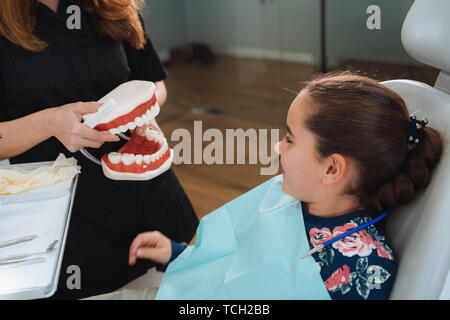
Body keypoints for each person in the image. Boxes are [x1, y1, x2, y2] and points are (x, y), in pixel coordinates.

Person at [119, 71, 443, 300]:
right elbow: (234, 254)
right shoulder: (287, 195)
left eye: (290, 138)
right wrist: (177, 254)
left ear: (331, 169)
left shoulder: (364, 269)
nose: (278, 147)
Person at [0, 0, 198, 299]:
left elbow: (154, 82)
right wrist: (48, 123)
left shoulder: (111, 5)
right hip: (66, 221)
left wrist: (138, 111)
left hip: (143, 192)